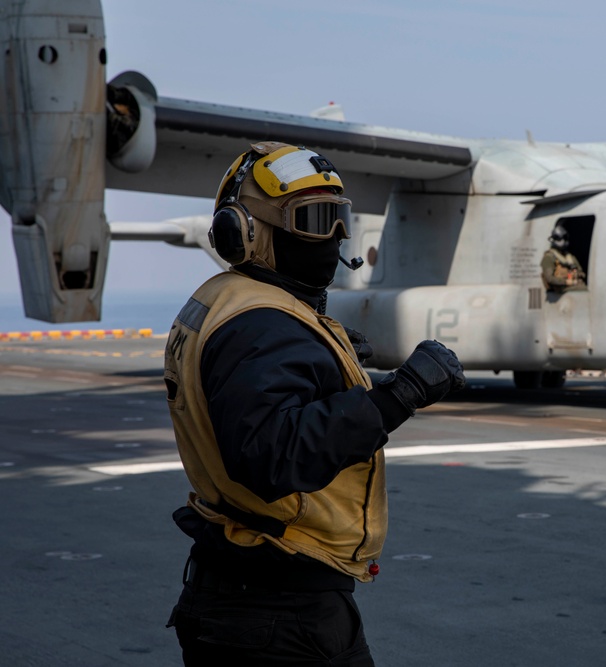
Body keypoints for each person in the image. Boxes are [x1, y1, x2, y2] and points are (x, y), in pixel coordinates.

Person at [163, 141, 465, 665]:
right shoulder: (262, 325)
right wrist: (401, 394)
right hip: (280, 614)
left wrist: (323, 359)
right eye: (314, 219)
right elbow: (271, 454)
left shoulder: (231, 300)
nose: (335, 237)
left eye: (340, 217)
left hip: (240, 591)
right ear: (246, 232)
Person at [540, 223, 586, 292]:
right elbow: (549, 279)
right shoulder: (549, 258)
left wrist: (577, 274)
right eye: (562, 238)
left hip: (574, 284)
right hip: (561, 289)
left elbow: (582, 273)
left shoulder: (569, 257)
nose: (564, 241)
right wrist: (566, 282)